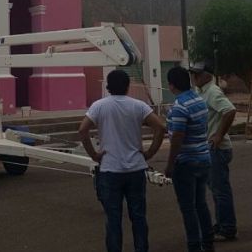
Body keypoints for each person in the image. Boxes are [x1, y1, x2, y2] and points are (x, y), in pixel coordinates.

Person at [78, 70, 166, 252]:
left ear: (108, 86)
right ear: (127, 86)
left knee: (113, 219)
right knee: (139, 217)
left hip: (110, 169)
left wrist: (94, 155)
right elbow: (160, 127)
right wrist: (150, 152)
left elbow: (82, 130)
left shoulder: (99, 106)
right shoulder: (139, 106)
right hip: (135, 168)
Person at [164, 66, 214, 252]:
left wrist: (170, 164)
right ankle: (208, 243)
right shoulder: (199, 100)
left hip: (186, 162)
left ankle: (194, 245)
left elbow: (177, 138)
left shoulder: (179, 107)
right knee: (200, 203)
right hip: (203, 157)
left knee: (188, 208)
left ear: (171, 85)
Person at [189, 62, 238, 242]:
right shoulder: (201, 92)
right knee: (217, 190)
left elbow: (229, 110)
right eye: (193, 73)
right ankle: (222, 223)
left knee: (220, 190)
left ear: (207, 75)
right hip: (210, 148)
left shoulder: (212, 92)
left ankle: (227, 228)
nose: (194, 77)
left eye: (197, 74)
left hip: (217, 148)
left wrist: (218, 135)